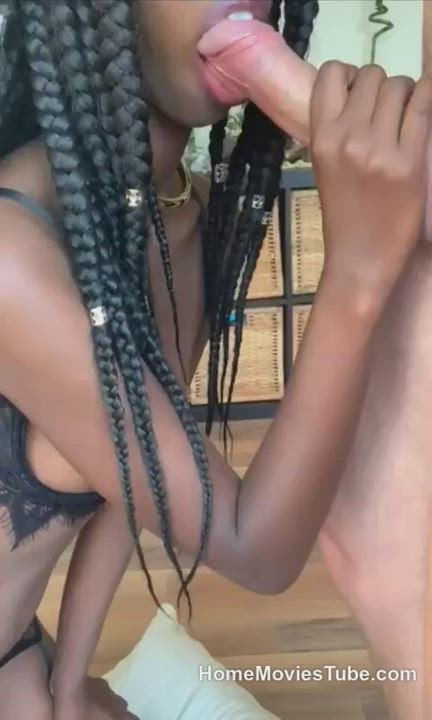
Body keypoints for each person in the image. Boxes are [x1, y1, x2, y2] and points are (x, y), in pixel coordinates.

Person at [0, 0, 430, 718]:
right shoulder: (13, 258)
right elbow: (254, 549)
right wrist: (356, 268)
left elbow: (134, 485)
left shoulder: (182, 216)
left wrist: (70, 677)